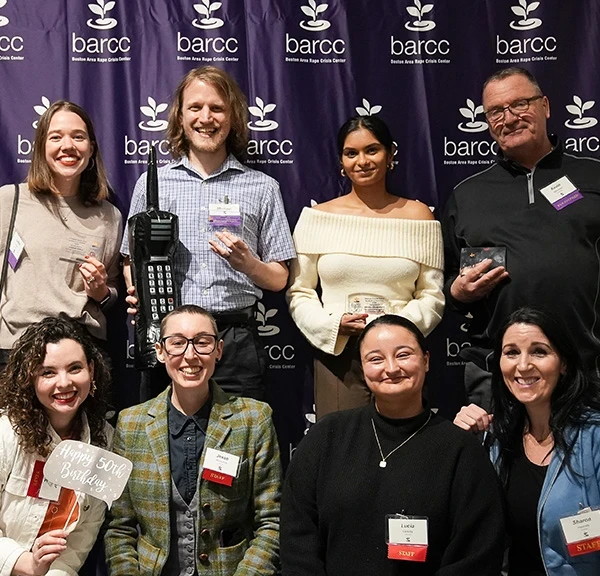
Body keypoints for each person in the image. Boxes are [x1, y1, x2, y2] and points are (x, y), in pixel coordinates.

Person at [281, 314, 505, 576]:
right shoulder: (328, 436)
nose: (391, 368)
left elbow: (475, 555)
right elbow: (297, 536)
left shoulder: (460, 450)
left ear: (426, 360)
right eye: (375, 359)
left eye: (403, 355)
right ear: (362, 369)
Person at [121, 66, 296, 403]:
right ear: (180, 117)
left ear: (232, 117)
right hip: (167, 336)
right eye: (195, 108)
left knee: (235, 448)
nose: (206, 117)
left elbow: (278, 279)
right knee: (163, 446)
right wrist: (139, 289)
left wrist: (249, 264)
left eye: (217, 108)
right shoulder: (152, 184)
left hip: (234, 341)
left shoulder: (262, 187)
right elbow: (131, 259)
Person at [443, 67, 600, 410]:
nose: (509, 118)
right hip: (500, 372)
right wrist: (459, 290)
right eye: (496, 111)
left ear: (545, 105)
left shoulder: (593, 175)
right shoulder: (466, 194)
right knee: (502, 464)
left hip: (589, 368)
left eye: (519, 104)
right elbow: (445, 284)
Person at [104, 304, 281, 576]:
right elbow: (120, 528)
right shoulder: (131, 423)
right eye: (177, 342)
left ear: (218, 350)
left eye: (202, 342)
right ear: (160, 351)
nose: (190, 355)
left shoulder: (253, 419)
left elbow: (272, 521)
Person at [286, 116, 444, 419]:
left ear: (390, 154)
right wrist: (331, 327)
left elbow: (432, 295)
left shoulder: (419, 216)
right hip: (339, 355)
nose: (362, 161)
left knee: (403, 447)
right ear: (341, 161)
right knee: (341, 450)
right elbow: (299, 291)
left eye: (372, 150)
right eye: (351, 153)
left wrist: (395, 331)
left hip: (399, 357)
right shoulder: (318, 217)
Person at [454, 307, 600, 576]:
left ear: (564, 364)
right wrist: (461, 444)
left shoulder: (594, 435)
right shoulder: (495, 442)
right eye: (511, 353)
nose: (522, 365)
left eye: (539, 352)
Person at [0, 101, 122, 367]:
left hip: (81, 352)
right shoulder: (9, 200)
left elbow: (111, 293)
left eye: (78, 137)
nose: (68, 146)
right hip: (15, 351)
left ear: (91, 149)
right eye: (56, 137)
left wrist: (101, 290)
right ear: (42, 147)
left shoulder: (109, 216)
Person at [0, 317, 112, 576]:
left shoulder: (105, 440)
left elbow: (86, 528)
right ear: (30, 380)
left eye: (75, 368)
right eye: (47, 373)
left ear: (92, 370)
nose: (64, 383)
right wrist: (25, 562)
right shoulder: (5, 433)